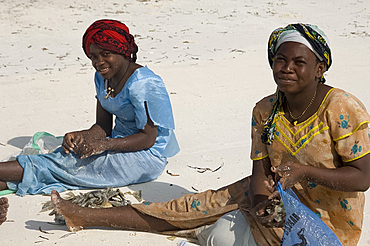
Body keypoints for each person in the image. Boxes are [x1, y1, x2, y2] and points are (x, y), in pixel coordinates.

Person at [2, 23, 369, 246]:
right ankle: (86, 215)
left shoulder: (342, 108)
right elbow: (260, 170)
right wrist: (259, 203)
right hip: (275, 199)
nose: (286, 68)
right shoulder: (265, 109)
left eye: (298, 62)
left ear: (320, 67)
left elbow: (363, 177)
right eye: (279, 60)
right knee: (186, 206)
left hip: (328, 220)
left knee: (216, 231)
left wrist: (304, 174)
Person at [0, 19, 179, 197]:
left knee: (64, 165)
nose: (99, 62)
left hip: (145, 156)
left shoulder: (145, 83)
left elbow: (148, 138)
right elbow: (103, 126)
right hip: (116, 142)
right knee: (66, 158)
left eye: (106, 54)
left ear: (122, 52)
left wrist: (104, 145)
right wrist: (81, 135)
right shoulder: (103, 78)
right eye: (93, 56)